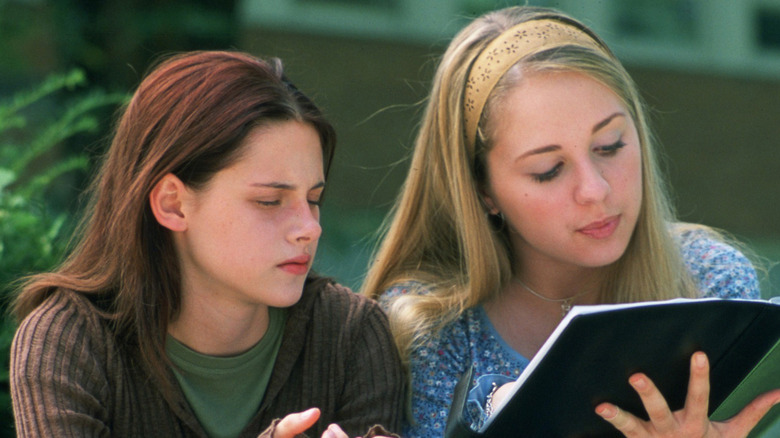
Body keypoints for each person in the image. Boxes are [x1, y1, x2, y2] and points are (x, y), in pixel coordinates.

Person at [361, 6, 779, 438]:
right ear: (482, 189)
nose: (594, 190)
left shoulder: (707, 281)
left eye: (610, 145)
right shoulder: (432, 327)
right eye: (548, 169)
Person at [10, 50, 403, 438]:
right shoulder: (69, 342)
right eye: (269, 201)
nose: (309, 228)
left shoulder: (351, 336)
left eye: (313, 199)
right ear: (173, 204)